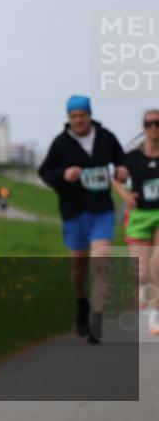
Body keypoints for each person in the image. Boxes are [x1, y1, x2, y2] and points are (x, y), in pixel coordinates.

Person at [38, 95, 129, 343]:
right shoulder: (61, 143)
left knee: (100, 263)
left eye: (82, 115)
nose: (78, 120)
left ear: (90, 115)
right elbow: (45, 172)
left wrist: (122, 168)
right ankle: (81, 304)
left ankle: (97, 317)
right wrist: (63, 174)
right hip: (73, 212)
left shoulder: (105, 137)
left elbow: (121, 158)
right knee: (79, 269)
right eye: (73, 116)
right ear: (68, 118)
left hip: (102, 211)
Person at [112, 109, 159, 336]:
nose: (153, 128)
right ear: (143, 127)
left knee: (157, 265)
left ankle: (156, 314)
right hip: (139, 215)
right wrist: (125, 196)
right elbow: (116, 180)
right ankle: (143, 286)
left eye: (158, 123)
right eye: (149, 123)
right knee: (141, 271)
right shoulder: (132, 158)